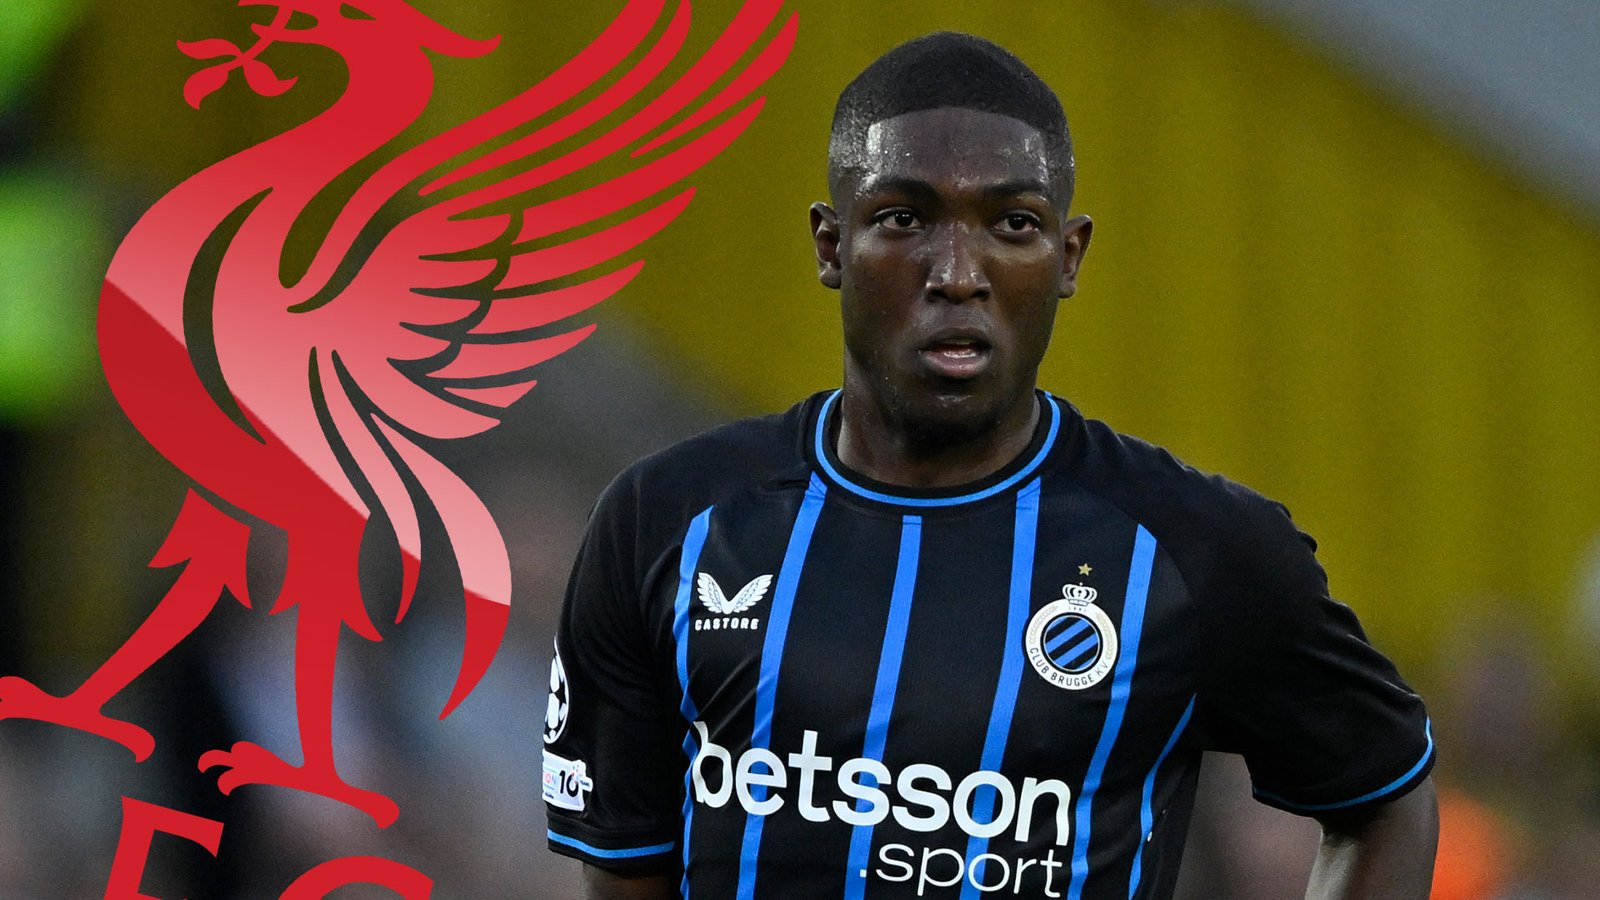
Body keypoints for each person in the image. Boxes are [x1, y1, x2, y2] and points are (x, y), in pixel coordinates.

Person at [543, 32, 1438, 900]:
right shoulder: (668, 523)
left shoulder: (1192, 551)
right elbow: (621, 872)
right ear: (830, 245)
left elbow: (1387, 798)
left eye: (1013, 224)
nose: (958, 273)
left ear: (1067, 258)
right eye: (904, 218)